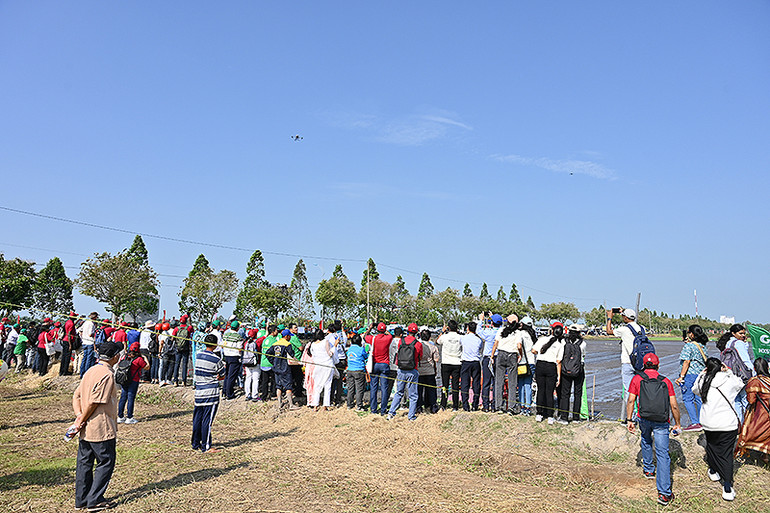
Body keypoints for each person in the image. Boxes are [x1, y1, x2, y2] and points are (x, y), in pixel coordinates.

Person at [71, 340, 123, 512]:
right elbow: (94, 402)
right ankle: (94, 500)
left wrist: (79, 417)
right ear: (115, 357)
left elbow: (76, 395)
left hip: (86, 429)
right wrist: (82, 418)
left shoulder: (90, 370)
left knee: (84, 462)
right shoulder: (107, 375)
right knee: (106, 461)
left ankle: (82, 499)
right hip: (100, 427)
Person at [626, 353, 681, 507]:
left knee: (646, 439)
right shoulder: (666, 381)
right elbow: (674, 405)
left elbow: (631, 400)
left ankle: (649, 470)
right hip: (662, 421)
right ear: (658, 365)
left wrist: (629, 420)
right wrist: (677, 423)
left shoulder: (637, 379)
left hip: (643, 418)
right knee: (663, 454)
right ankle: (664, 493)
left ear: (644, 365)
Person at [691, 357, 744, 501]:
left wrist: (702, 374)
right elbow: (740, 384)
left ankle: (714, 471)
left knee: (712, 447)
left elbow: (694, 389)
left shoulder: (704, 380)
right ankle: (727, 487)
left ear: (707, 368)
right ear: (721, 366)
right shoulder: (729, 379)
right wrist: (730, 372)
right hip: (727, 423)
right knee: (726, 454)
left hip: (709, 423)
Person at [606, 308, 644, 420]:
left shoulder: (623, 329)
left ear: (626, 318)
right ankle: (641, 416)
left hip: (628, 362)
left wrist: (610, 317)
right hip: (640, 363)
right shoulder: (642, 328)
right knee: (641, 390)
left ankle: (630, 418)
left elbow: (609, 331)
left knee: (629, 391)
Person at [191, 334, 225, 453]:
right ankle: (206, 446)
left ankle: (195, 443)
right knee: (207, 421)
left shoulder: (198, 355)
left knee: (197, 419)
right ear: (215, 345)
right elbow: (222, 375)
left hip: (199, 392)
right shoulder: (217, 359)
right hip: (211, 393)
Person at [675, 324, 709, 431]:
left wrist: (681, 376)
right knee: (699, 398)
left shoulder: (689, 346)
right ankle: (701, 421)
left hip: (690, 375)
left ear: (692, 334)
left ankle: (694, 422)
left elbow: (686, 361)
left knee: (687, 399)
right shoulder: (702, 346)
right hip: (701, 375)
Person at [716, 324, 753, 422]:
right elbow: (745, 360)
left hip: (730, 376)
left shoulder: (728, 343)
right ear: (733, 333)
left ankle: (737, 425)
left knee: (736, 401)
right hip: (741, 376)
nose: (743, 335)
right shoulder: (738, 343)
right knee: (745, 400)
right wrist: (752, 373)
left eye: (744, 333)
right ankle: (746, 425)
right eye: (740, 333)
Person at [736, 358, 770, 462]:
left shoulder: (754, 381)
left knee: (755, 432)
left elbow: (751, 400)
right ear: (767, 368)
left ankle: (764, 456)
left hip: (761, 412)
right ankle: (765, 456)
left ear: (754, 368)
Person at [387, 323, 423, 421]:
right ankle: (411, 416)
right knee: (413, 395)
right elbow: (420, 357)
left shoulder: (401, 341)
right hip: (412, 370)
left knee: (399, 392)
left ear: (407, 331)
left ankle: (391, 413)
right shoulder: (418, 344)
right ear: (416, 333)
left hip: (401, 369)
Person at [532, 323, 565, 424]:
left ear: (552, 330)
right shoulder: (560, 344)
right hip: (551, 367)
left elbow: (533, 350)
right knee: (549, 392)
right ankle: (550, 416)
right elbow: (558, 361)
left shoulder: (542, 339)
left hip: (540, 365)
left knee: (540, 390)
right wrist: (559, 377)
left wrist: (540, 354)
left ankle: (539, 414)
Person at [558, 325, 586, 424]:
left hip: (566, 370)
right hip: (579, 370)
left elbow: (561, 356)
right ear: (579, 333)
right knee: (577, 394)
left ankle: (564, 417)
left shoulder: (563, 342)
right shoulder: (583, 343)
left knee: (565, 394)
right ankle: (576, 418)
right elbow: (583, 356)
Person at [266, 329, 299, 410]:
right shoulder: (287, 344)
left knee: (279, 386)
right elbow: (291, 355)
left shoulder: (275, 344)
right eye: (289, 336)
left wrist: (273, 362)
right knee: (288, 386)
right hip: (285, 368)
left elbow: (267, 353)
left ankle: (280, 403)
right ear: (287, 336)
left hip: (276, 368)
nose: (290, 338)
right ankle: (291, 405)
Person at [491, 320, 519, 414]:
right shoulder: (517, 333)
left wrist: (492, 356)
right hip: (512, 355)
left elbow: (496, 344)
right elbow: (519, 346)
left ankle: (498, 406)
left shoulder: (501, 330)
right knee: (512, 382)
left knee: (499, 381)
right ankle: (511, 407)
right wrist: (521, 355)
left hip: (501, 354)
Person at [365, 322, 393, 415]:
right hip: (384, 364)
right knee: (384, 388)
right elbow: (390, 334)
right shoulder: (388, 338)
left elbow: (365, 336)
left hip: (375, 364)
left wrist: (370, 328)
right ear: (384, 330)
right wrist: (385, 330)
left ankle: (373, 409)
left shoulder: (373, 338)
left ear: (377, 330)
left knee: (374, 388)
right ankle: (383, 410)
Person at [117, 342, 147, 425]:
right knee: (130, 398)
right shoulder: (139, 359)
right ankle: (129, 417)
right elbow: (147, 367)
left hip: (124, 379)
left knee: (123, 397)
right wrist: (145, 358)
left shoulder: (125, 357)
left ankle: (120, 416)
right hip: (134, 380)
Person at [478, 313, 503, 412]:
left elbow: (478, 330)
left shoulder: (488, 333)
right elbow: (499, 326)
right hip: (499, 358)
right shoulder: (502, 333)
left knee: (486, 382)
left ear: (491, 323)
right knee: (497, 382)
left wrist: (481, 320)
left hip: (488, 358)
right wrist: (494, 318)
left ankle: (485, 405)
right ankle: (495, 405)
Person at [438, 320, 463, 411]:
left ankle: (443, 404)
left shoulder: (444, 336)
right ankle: (455, 406)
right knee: (455, 385)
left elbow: (438, 341)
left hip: (446, 363)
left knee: (445, 385)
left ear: (448, 328)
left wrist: (442, 331)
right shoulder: (460, 337)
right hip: (457, 362)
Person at [459, 322, 483, 412]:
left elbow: (461, 345)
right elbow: (480, 348)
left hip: (466, 362)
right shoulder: (478, 340)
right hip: (476, 362)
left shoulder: (463, 338)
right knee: (476, 384)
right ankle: (475, 404)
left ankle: (465, 406)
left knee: (465, 384)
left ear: (468, 328)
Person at [516, 317, 537, 415]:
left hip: (522, 363)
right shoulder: (532, 334)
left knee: (520, 385)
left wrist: (520, 355)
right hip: (531, 362)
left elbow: (519, 346)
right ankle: (528, 407)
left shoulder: (520, 333)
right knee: (528, 385)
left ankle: (522, 407)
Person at [309, 329, 334, 411]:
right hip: (327, 365)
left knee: (317, 386)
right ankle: (325, 405)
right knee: (327, 385)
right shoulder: (325, 342)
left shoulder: (312, 344)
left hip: (318, 366)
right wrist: (335, 346)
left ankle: (315, 405)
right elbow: (329, 354)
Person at [416, 329, 439, 414]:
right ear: (429, 337)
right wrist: (435, 370)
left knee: (419, 390)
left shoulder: (418, 346)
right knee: (431, 390)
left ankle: (418, 407)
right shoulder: (433, 347)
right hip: (430, 371)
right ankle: (432, 406)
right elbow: (436, 360)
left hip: (419, 371)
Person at [221, 320, 243, 400]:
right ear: (237, 328)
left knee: (227, 375)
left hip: (226, 356)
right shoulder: (238, 337)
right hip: (234, 357)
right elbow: (239, 348)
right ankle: (229, 394)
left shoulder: (226, 335)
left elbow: (222, 345)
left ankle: (224, 392)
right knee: (232, 376)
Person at [345, 333, 368, 410]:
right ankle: (359, 405)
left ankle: (349, 404)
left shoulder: (350, 349)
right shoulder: (361, 349)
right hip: (359, 371)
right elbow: (365, 357)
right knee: (359, 389)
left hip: (350, 370)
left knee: (350, 388)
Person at [259, 325, 279, 401]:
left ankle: (264, 397)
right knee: (274, 380)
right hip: (270, 364)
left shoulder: (265, 340)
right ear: (273, 332)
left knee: (265, 381)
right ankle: (273, 395)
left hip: (263, 363)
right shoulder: (274, 341)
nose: (277, 332)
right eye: (276, 330)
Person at [172, 317, 193, 387]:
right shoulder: (188, 328)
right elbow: (192, 330)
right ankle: (184, 381)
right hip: (186, 348)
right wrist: (190, 322)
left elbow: (172, 338)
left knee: (177, 364)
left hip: (178, 348)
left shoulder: (176, 329)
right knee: (184, 365)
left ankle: (175, 381)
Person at [242, 330, 260, 402]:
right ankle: (255, 396)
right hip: (256, 363)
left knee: (248, 379)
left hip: (247, 363)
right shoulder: (257, 342)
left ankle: (247, 394)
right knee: (255, 380)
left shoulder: (246, 343)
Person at [78, 313, 97, 378]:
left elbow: (79, 330)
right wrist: (94, 333)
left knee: (84, 358)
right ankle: (86, 373)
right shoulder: (91, 324)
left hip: (84, 342)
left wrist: (82, 336)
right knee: (89, 359)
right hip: (89, 342)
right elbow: (90, 334)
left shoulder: (85, 322)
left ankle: (81, 373)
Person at [59, 311, 78, 376]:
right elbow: (69, 334)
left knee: (64, 357)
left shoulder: (68, 322)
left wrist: (78, 321)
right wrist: (70, 345)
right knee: (67, 357)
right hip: (68, 341)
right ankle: (65, 371)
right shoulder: (71, 324)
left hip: (65, 340)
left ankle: (61, 371)